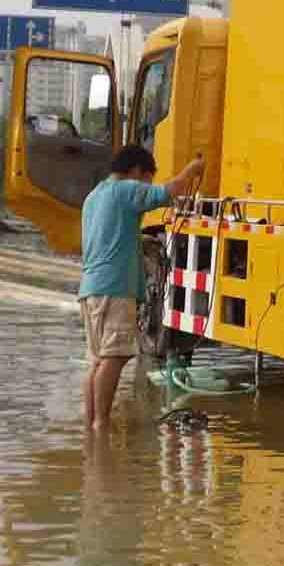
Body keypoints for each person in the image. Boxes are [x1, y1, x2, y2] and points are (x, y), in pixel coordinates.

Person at [80, 146, 204, 434]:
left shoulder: (95, 196)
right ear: (137, 171)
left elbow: (105, 237)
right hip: (114, 288)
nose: (146, 185)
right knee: (116, 356)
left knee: (98, 359)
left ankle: (92, 424)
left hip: (91, 288)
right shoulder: (127, 189)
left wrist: (137, 244)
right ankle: (101, 423)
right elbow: (168, 192)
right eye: (147, 178)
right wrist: (193, 168)